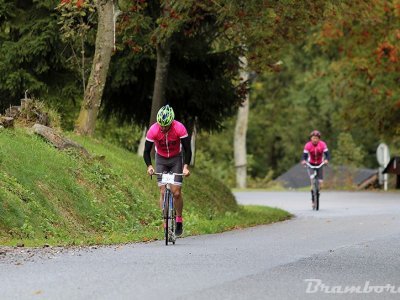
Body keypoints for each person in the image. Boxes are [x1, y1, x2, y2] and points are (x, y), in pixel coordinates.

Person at [143, 105, 191, 236]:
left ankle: (179, 219)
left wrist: (185, 167)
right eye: (161, 125)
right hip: (161, 159)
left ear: (172, 122)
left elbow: (188, 149)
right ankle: (165, 222)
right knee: (163, 191)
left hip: (176, 158)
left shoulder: (179, 128)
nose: (163, 128)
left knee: (176, 193)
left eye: (166, 126)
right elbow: (146, 151)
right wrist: (150, 166)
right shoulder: (153, 130)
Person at [301, 130, 330, 209]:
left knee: (320, 184)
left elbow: (327, 154)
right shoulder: (308, 145)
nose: (315, 140)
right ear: (311, 138)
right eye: (313, 138)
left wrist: (326, 160)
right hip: (311, 164)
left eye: (316, 138)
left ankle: (318, 192)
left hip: (320, 164)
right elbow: (304, 156)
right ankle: (313, 200)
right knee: (312, 181)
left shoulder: (323, 144)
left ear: (319, 139)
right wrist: (303, 161)